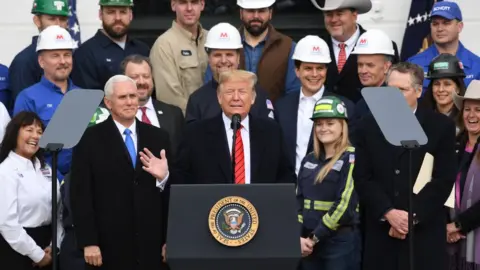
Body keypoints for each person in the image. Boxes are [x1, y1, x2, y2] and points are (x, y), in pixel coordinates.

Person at [353, 62, 457, 270]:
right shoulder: (368, 125)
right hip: (382, 232)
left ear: (418, 91)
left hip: (424, 232)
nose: (395, 96)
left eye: (402, 90)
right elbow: (363, 177)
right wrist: (389, 212)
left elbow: (443, 179)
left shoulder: (440, 126)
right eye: (391, 90)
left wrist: (411, 218)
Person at [70, 75, 171, 270]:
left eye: (133, 96)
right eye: (123, 97)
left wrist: (163, 178)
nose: (130, 102)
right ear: (108, 102)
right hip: (108, 245)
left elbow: (172, 192)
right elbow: (80, 194)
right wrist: (89, 242)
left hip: (151, 244)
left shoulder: (159, 137)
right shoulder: (89, 139)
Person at [175, 69, 296, 185]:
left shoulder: (271, 132)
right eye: (229, 92)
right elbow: (182, 178)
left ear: (253, 98)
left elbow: (286, 176)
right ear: (219, 97)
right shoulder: (196, 134)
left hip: (260, 204)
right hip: (212, 205)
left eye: (242, 92)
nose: (236, 97)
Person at [275, 35, 356, 176]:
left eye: (320, 68)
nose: (314, 74)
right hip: (287, 189)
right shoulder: (281, 106)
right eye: (308, 68)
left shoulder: (345, 106)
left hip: (326, 188)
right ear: (297, 71)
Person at [297, 96, 359, 270]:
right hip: (307, 245)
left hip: (338, 243)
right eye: (319, 124)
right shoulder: (309, 159)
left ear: (342, 126)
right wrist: (299, 237)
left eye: (330, 123)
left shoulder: (352, 157)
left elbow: (344, 205)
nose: (323, 128)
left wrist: (315, 237)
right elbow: (298, 201)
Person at [13, 25, 78, 182]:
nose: (63, 61)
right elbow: (24, 149)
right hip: (44, 183)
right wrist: (58, 180)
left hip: (84, 183)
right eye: (55, 56)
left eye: (67, 55)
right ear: (41, 61)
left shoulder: (83, 95)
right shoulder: (28, 98)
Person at [0, 111, 63, 270]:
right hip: (16, 250)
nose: (35, 136)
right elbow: (7, 223)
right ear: (14, 133)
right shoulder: (5, 171)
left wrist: (54, 245)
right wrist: (37, 255)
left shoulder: (46, 168)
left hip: (48, 245)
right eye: (29, 130)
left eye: (40, 132)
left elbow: (59, 210)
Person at [204, 0, 300, 101]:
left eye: (261, 11)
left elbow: (293, 95)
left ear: (270, 13)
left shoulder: (287, 47)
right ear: (241, 13)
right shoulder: (224, 43)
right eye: (250, 11)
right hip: (228, 115)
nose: (256, 16)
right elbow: (210, 88)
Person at [311, 0, 399, 103]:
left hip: (368, 114)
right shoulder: (315, 46)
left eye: (339, 13)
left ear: (355, 15)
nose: (334, 19)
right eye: (329, 14)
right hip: (323, 116)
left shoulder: (383, 45)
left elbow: (394, 88)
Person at [185, 22, 273, 123]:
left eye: (229, 54)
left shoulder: (259, 95)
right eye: (217, 55)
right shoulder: (197, 100)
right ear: (209, 58)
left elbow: (268, 134)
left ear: (238, 57)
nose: (223, 60)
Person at [71, 0, 150, 91]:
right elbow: (86, 101)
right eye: (111, 12)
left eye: (123, 12)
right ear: (100, 14)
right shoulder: (85, 54)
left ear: (131, 15)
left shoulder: (142, 50)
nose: (117, 18)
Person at [407, 1, 480, 94]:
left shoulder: (477, 66)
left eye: (446, 23)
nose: (440, 29)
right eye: (435, 24)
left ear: (460, 26)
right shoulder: (414, 64)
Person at [150, 0, 208, 114]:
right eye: (183, 2)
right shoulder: (164, 45)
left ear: (202, 4)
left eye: (194, 2)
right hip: (186, 125)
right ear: (173, 5)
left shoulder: (212, 39)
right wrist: (199, 121)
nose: (189, 8)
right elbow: (170, 98)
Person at [446, 80, 480, 269]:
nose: (471, 115)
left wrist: (458, 225)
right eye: (467, 109)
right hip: (452, 241)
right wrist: (446, 225)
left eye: (478, 110)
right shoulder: (454, 144)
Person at [121, 54, 185, 154]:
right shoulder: (113, 114)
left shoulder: (173, 114)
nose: (141, 82)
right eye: (134, 77)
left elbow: (182, 154)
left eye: (146, 76)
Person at [9, 0, 69, 102]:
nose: (58, 25)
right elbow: (24, 113)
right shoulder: (24, 61)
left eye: (63, 19)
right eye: (52, 19)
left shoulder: (75, 56)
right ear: (37, 21)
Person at [351, 29, 395, 119]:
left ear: (386, 67)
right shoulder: (361, 104)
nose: (363, 71)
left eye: (370, 65)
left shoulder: (395, 102)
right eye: (360, 65)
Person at [421, 54, 466, 123]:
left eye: (447, 84)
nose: (441, 89)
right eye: (436, 84)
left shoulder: (467, 119)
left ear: (458, 88)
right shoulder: (420, 116)